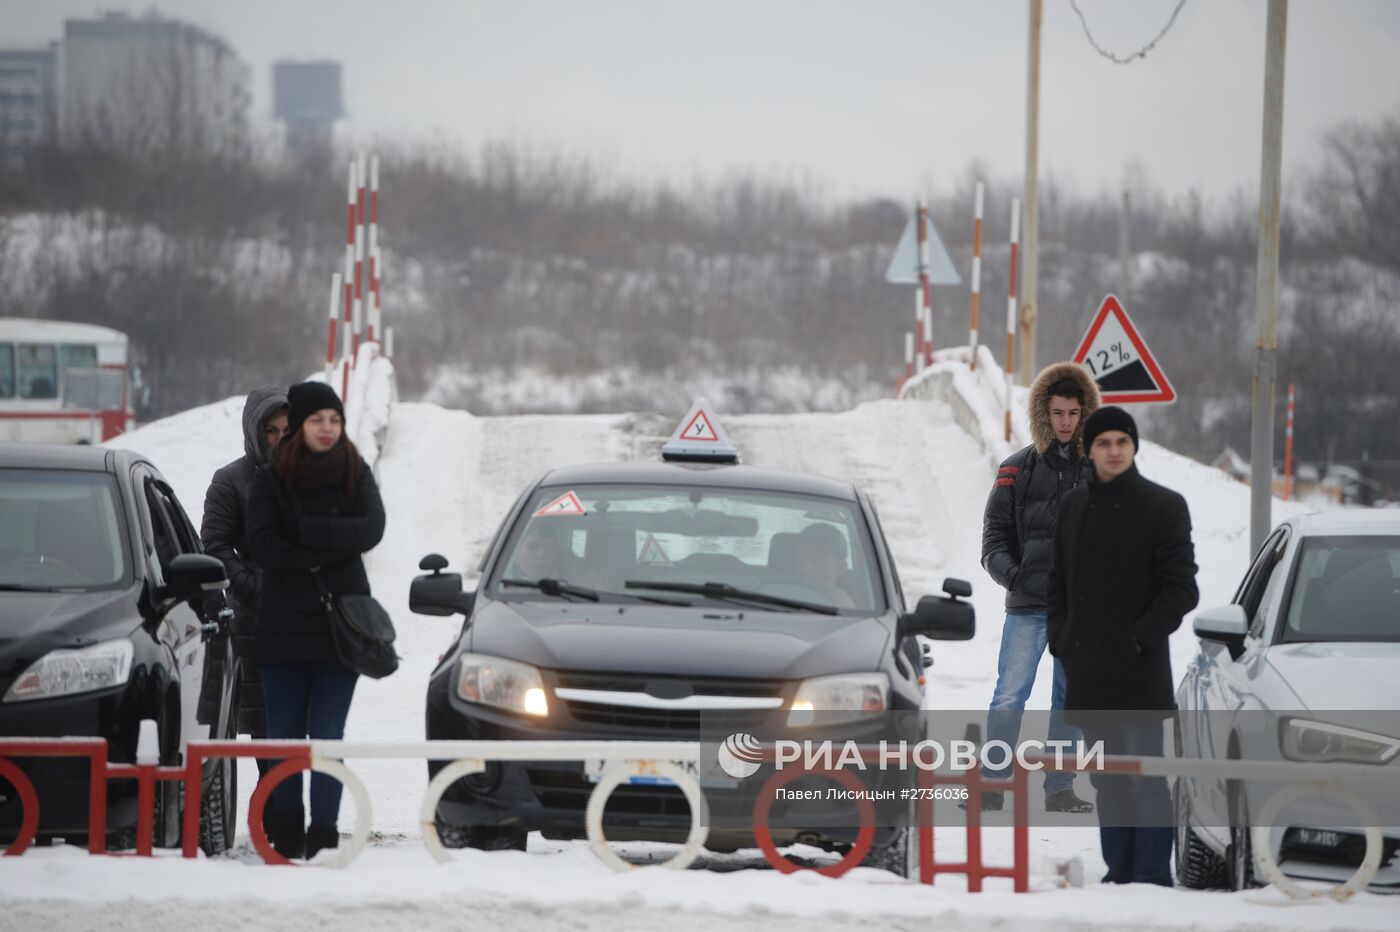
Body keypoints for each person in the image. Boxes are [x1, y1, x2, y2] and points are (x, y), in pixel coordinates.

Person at [1048, 406, 1199, 886]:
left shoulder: (1163, 506)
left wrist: (1140, 637)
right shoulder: (1072, 507)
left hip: (1138, 672)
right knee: (1106, 780)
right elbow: (1057, 583)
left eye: (1122, 442)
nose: (1114, 451)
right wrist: (1062, 640)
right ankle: (1119, 874)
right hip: (1089, 672)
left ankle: (1152, 876)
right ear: (1089, 450)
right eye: (1104, 443)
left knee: (1145, 779)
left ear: (1134, 447)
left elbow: (1181, 589)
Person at [247, 381, 385, 860]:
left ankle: (324, 839)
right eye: (317, 420)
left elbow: (372, 528)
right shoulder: (271, 478)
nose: (327, 429)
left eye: (335, 420)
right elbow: (264, 545)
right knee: (284, 739)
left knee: (328, 737)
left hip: (338, 630)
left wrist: (305, 535)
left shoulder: (353, 469)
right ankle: (286, 837)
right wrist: (332, 549)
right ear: (299, 426)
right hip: (283, 628)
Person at [977, 362, 1100, 812]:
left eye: (1072, 413)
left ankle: (1060, 788)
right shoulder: (1016, 469)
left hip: (1077, 610)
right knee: (1010, 694)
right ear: (1043, 415)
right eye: (1057, 413)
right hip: (1027, 605)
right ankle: (992, 783)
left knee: (1068, 700)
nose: (1065, 422)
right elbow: (993, 539)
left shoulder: (1100, 471)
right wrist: (1016, 577)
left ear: (1084, 413)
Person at [196, 387, 288, 784]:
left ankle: (288, 816)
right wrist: (252, 586)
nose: (282, 438)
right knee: (267, 729)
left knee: (305, 728)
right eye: (272, 430)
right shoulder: (231, 481)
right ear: (255, 432)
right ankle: (274, 813)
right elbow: (214, 544)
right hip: (255, 626)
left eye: (289, 428)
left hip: (308, 621)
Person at [794, 522, 855, 608]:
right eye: (800, 559)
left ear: (841, 567)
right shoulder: (775, 593)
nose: (806, 569)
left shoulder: (847, 607)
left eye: (817, 561)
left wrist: (845, 609)